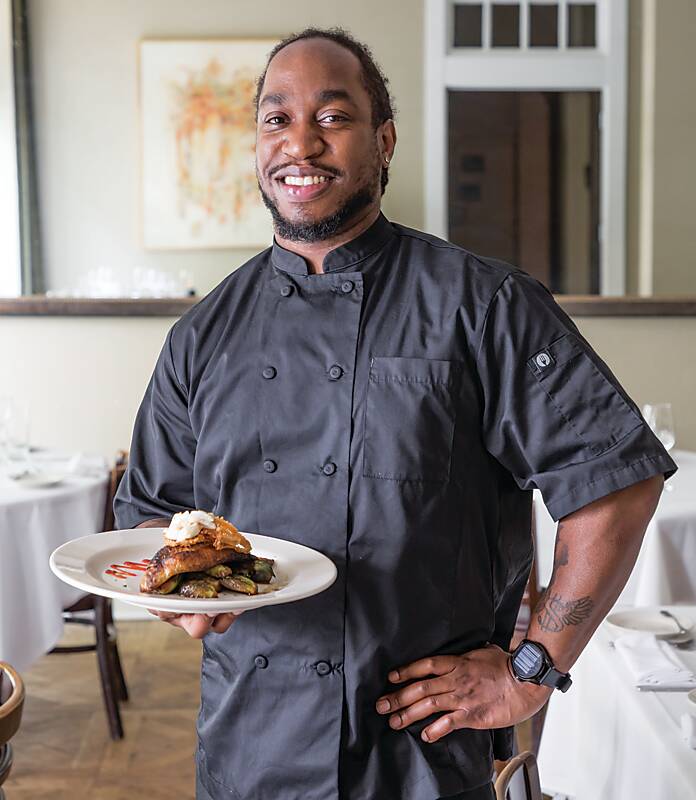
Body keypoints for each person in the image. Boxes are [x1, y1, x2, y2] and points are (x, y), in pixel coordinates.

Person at [114, 27, 677, 800]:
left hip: (417, 749)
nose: (301, 144)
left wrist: (532, 672)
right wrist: (177, 597)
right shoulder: (202, 334)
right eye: (277, 119)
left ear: (383, 141)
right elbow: (150, 517)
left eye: (333, 117)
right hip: (249, 742)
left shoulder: (483, 305)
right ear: (256, 146)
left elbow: (615, 484)